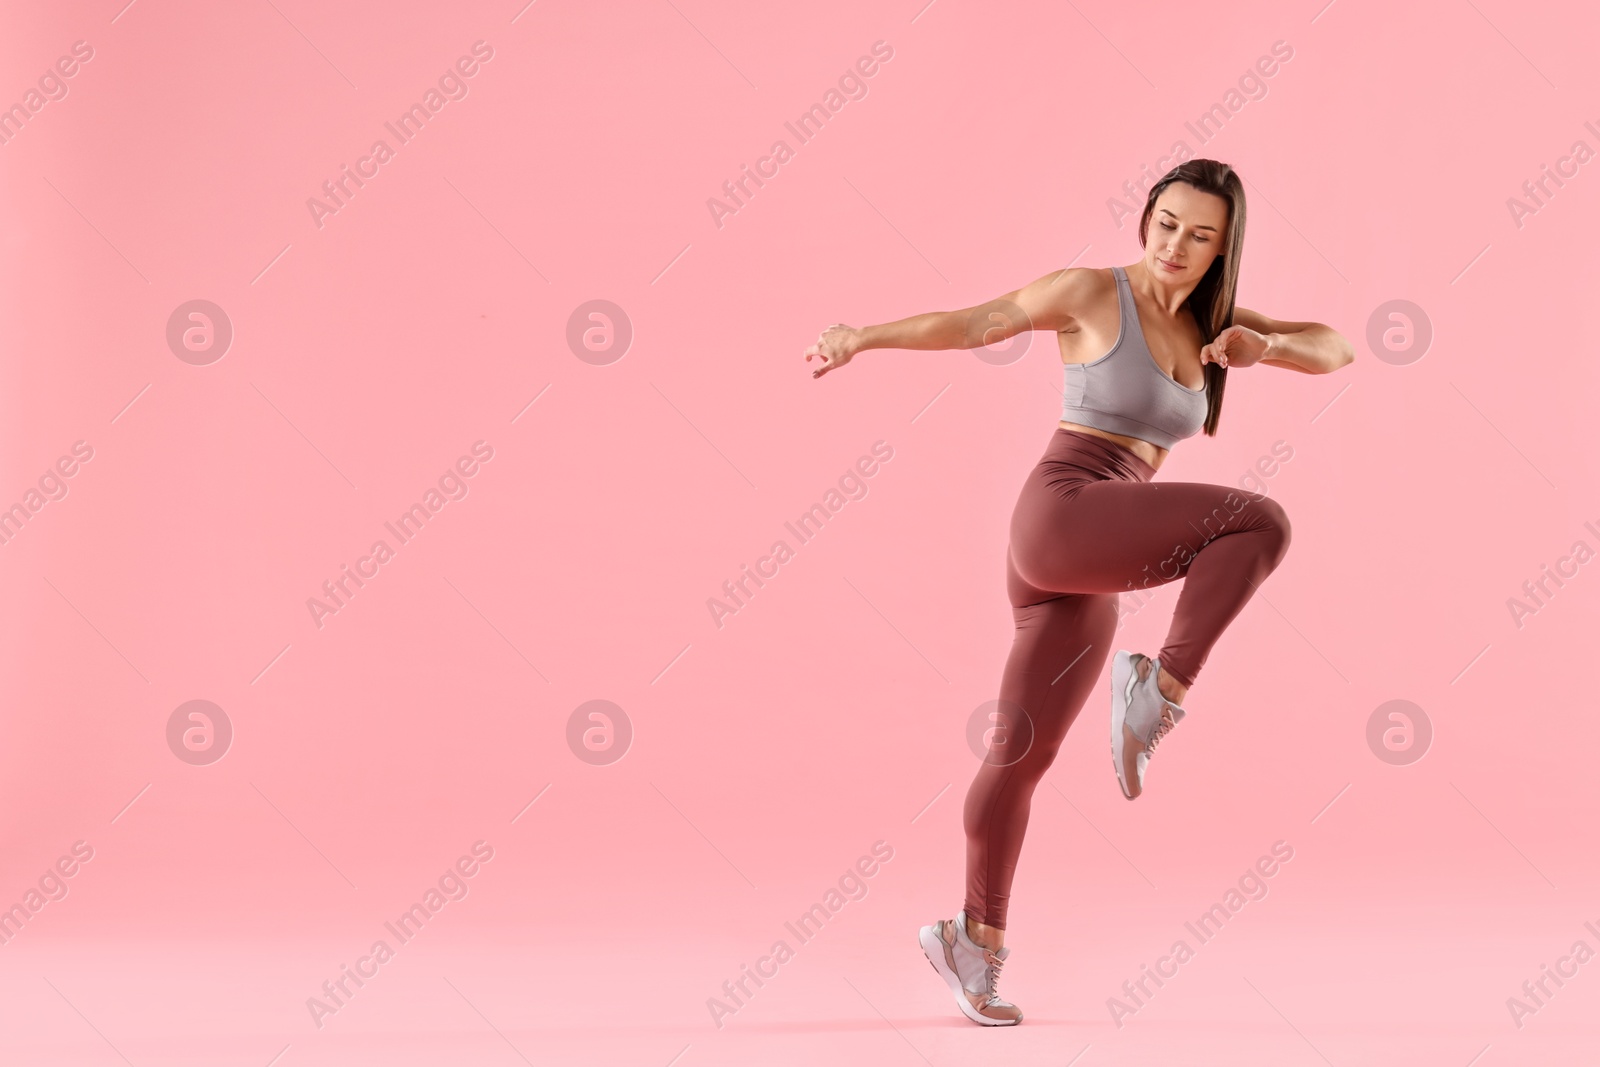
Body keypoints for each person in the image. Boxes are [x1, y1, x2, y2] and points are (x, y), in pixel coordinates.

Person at [802, 159, 1354, 1026]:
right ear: (1147, 216)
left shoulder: (1216, 323)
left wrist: (1266, 347)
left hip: (1095, 547)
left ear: (1223, 247)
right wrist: (860, 335)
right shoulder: (1093, 292)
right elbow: (974, 321)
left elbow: (1337, 344)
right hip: (1061, 513)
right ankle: (1159, 686)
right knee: (1260, 522)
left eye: (1201, 235)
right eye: (1167, 222)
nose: (1176, 245)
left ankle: (971, 940)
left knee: (1020, 756)